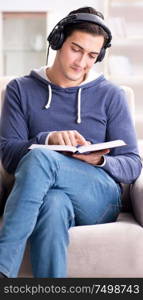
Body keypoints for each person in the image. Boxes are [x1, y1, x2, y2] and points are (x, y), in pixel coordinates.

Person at [0, 6, 142, 278]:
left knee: (40, 158)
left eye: (92, 55)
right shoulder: (20, 89)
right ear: (58, 41)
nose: (82, 62)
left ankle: (3, 268)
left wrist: (100, 159)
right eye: (76, 49)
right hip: (44, 196)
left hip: (98, 197)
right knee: (53, 205)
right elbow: (7, 155)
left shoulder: (111, 95)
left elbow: (133, 164)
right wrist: (47, 139)